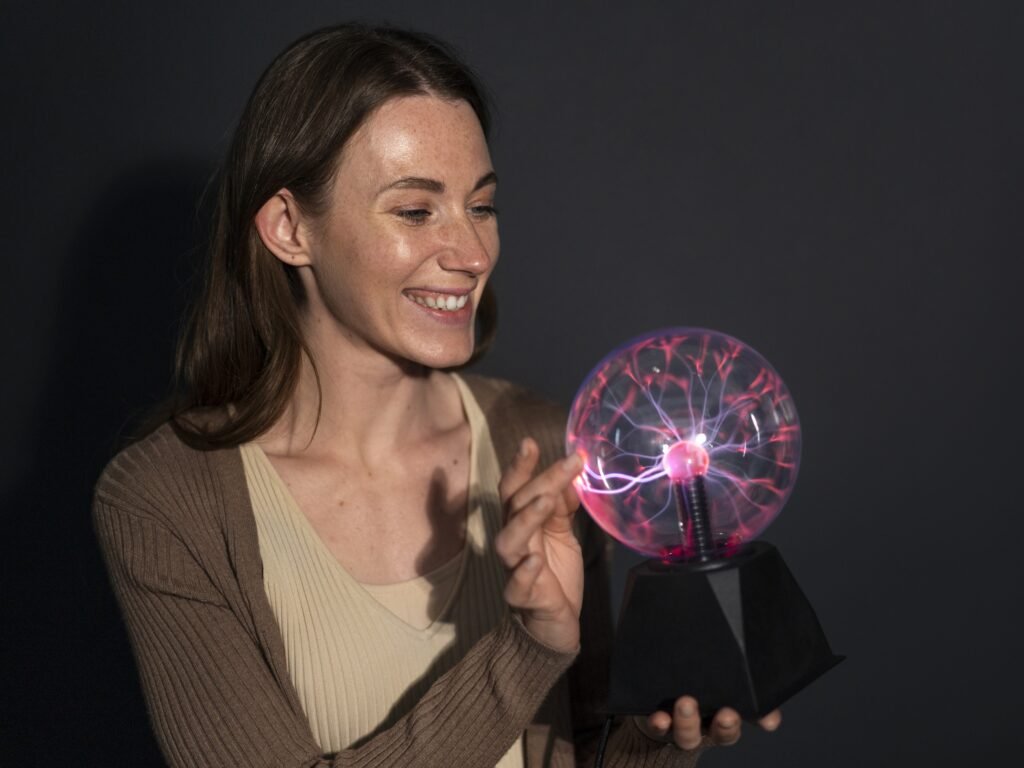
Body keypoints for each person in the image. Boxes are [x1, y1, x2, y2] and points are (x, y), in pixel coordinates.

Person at [93, 23, 780, 768]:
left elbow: (584, 745)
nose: (472, 254)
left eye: (481, 207)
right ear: (289, 228)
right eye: (416, 211)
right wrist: (522, 651)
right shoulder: (165, 500)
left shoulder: (545, 445)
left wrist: (655, 736)